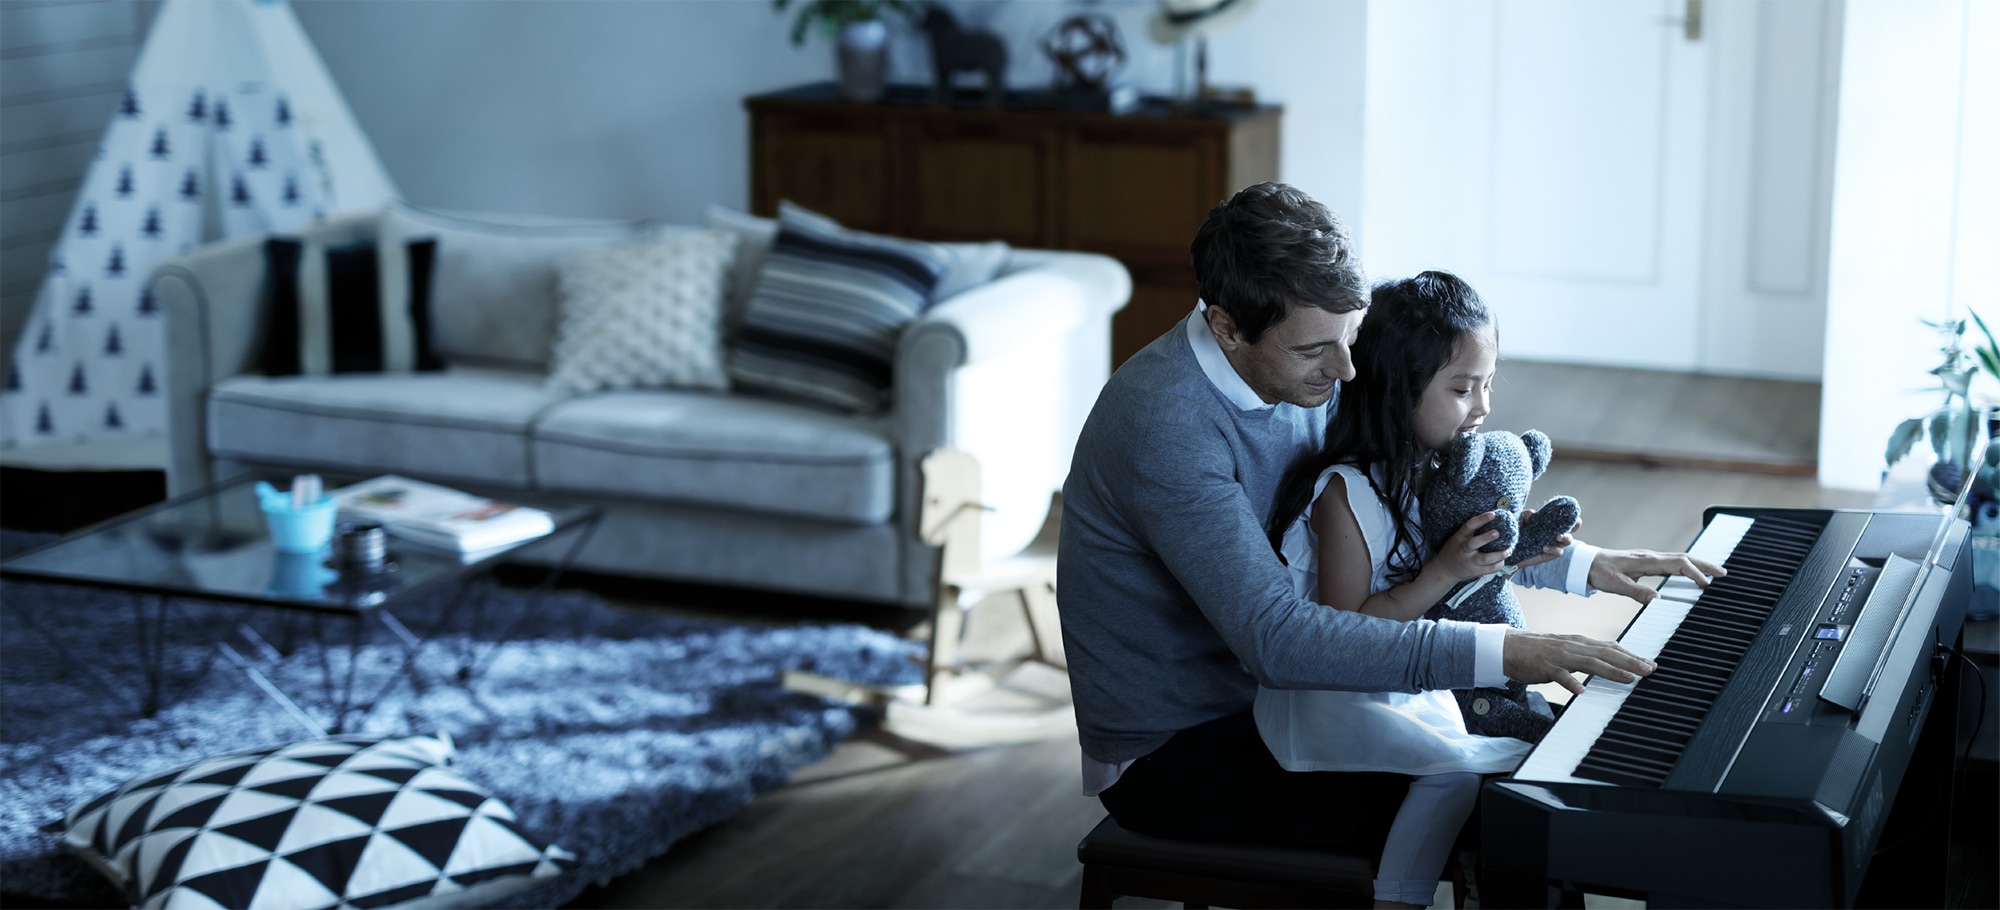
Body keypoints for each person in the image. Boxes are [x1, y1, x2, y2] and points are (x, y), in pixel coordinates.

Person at [1056, 182, 1721, 876]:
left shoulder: (1304, 367)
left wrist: (1577, 562)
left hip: (1299, 698)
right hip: (1184, 744)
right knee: (1522, 806)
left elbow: (1411, 524)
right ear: (1227, 327)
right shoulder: (1166, 424)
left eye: (1350, 338)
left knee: (1548, 761)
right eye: (1316, 349)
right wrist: (1505, 651)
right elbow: (1280, 644)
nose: (1346, 371)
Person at [1248, 270, 1725, 907]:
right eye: (1462, 388)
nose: (1484, 408)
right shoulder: (1347, 494)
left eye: (1488, 384)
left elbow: (1495, 551)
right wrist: (1442, 573)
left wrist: (1593, 563)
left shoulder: (1435, 465)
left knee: (1537, 752)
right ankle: (1400, 896)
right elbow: (1348, 637)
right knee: (1455, 774)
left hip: (1413, 671)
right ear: (1398, 390)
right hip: (1344, 697)